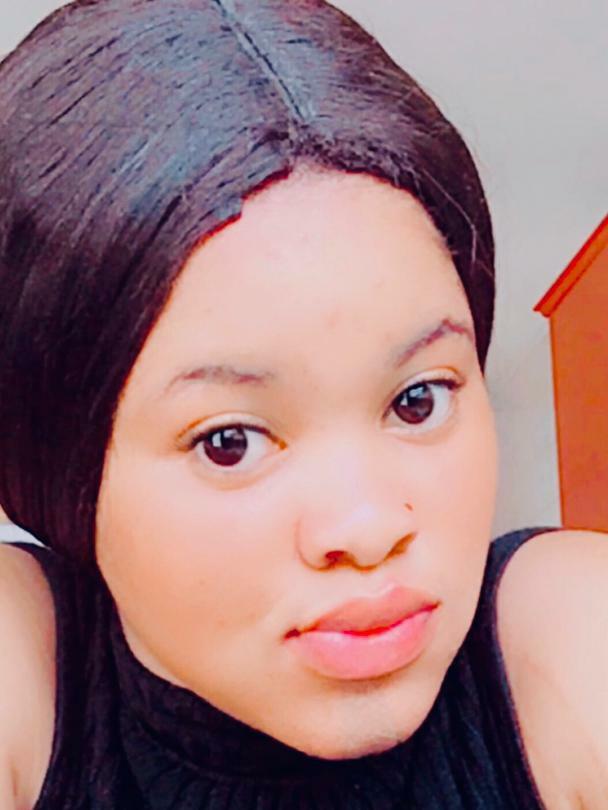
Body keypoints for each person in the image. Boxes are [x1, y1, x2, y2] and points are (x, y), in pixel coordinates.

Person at [0, 0, 607, 807]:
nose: (368, 528)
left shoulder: (566, 639)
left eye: (418, 400)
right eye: (230, 442)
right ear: (53, 461)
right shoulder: (24, 668)